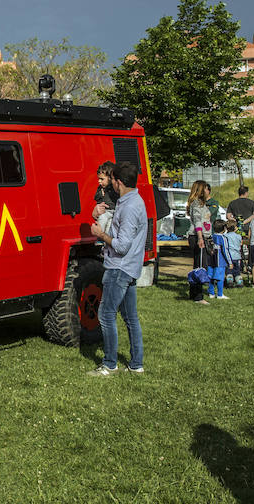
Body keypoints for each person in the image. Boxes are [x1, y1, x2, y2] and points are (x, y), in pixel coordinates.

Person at [87, 161, 147, 376]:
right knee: (130, 318)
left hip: (120, 268)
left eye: (111, 179)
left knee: (106, 315)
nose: (109, 182)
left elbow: (122, 246)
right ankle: (136, 364)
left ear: (118, 182)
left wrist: (101, 235)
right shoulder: (129, 201)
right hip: (128, 267)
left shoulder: (130, 207)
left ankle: (109, 364)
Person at [187, 180, 213, 304]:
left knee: (198, 266)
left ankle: (193, 293)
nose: (208, 191)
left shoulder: (201, 203)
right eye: (206, 189)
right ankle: (198, 296)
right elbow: (197, 221)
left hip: (201, 236)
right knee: (200, 267)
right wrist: (200, 237)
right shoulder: (196, 204)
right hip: (198, 236)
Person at [207, 220, 231, 300]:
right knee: (220, 278)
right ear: (224, 228)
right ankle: (220, 294)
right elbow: (225, 250)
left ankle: (211, 293)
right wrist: (229, 262)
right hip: (220, 261)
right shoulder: (223, 238)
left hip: (211, 260)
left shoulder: (211, 237)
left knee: (211, 277)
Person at [94, 161, 117, 234]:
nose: (99, 181)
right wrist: (101, 194)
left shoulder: (115, 188)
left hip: (114, 212)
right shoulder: (100, 188)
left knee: (109, 226)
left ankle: (105, 238)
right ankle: (100, 236)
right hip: (105, 211)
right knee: (102, 220)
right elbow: (96, 198)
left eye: (102, 179)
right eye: (99, 179)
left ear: (110, 178)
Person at [223, 220, 244, 288]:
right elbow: (240, 243)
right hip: (237, 256)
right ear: (235, 228)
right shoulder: (238, 236)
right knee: (237, 270)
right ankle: (239, 281)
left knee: (229, 270)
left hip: (229, 256)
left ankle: (229, 282)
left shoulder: (225, 236)